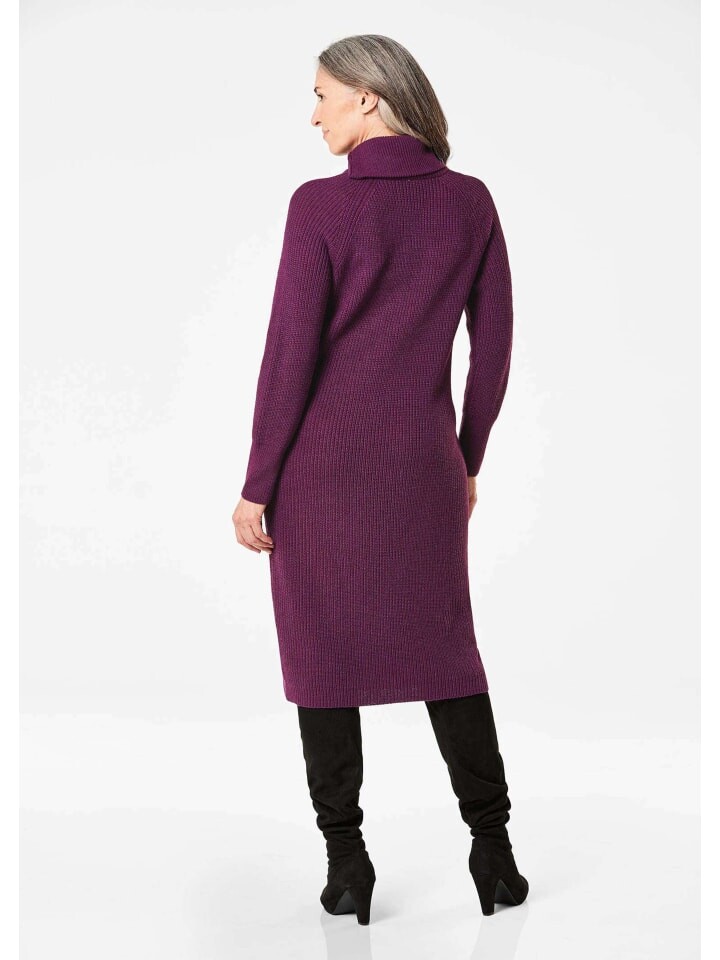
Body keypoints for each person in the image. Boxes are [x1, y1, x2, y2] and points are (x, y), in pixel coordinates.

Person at [232, 34, 529, 925]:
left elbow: (289, 356)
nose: (313, 113)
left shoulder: (320, 206)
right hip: (424, 469)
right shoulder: (469, 202)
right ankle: (494, 854)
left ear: (368, 97)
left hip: (322, 475)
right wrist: (466, 457)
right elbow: (494, 349)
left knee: (322, 660)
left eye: (322, 94)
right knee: (448, 651)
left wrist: (257, 482)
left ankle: (347, 865)